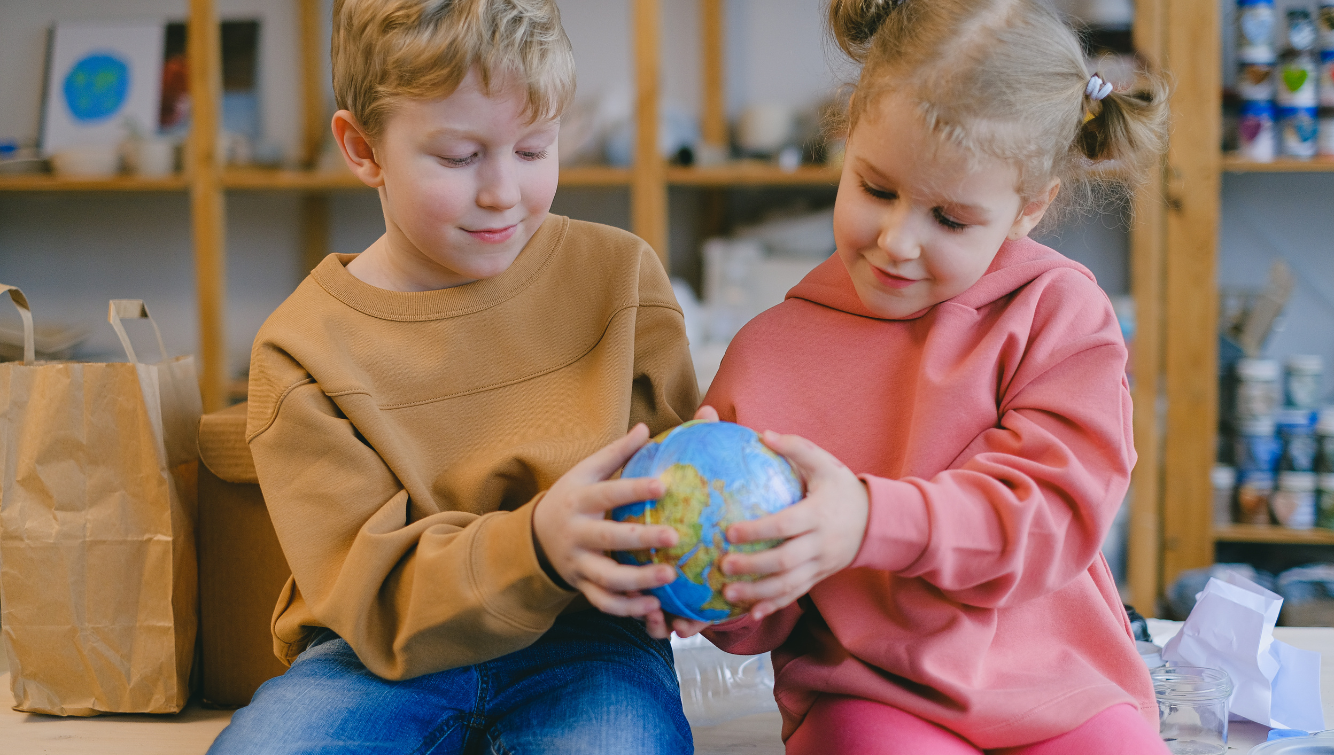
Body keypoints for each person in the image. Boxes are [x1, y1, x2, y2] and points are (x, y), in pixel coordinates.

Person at [208, 1, 700, 752]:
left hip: (590, 641)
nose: (503, 190)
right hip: (374, 659)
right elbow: (371, 596)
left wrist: (691, 566)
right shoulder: (302, 347)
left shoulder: (621, 277)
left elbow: (678, 485)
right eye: (460, 157)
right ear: (363, 147)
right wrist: (533, 545)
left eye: (534, 149)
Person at [686, 0, 1173, 753]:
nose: (896, 241)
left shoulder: (1060, 314)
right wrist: (710, 583)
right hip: (873, 696)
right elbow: (762, 618)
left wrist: (866, 520)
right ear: (848, 140)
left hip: (1061, 687)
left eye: (948, 218)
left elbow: (1049, 514)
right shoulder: (767, 355)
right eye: (876, 188)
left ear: (1029, 207)